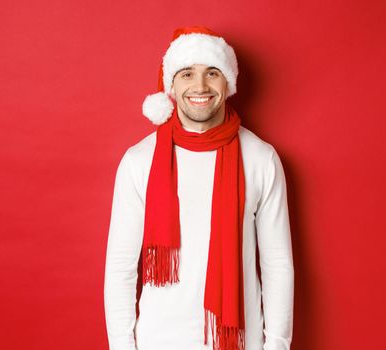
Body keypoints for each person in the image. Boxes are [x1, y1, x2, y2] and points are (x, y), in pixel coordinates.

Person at [104, 26, 294, 350]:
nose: (200, 86)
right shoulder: (138, 162)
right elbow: (120, 268)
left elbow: (277, 264)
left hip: (239, 343)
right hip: (158, 343)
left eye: (212, 72)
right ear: (172, 86)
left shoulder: (261, 158)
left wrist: (276, 346)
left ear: (229, 82)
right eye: (187, 73)